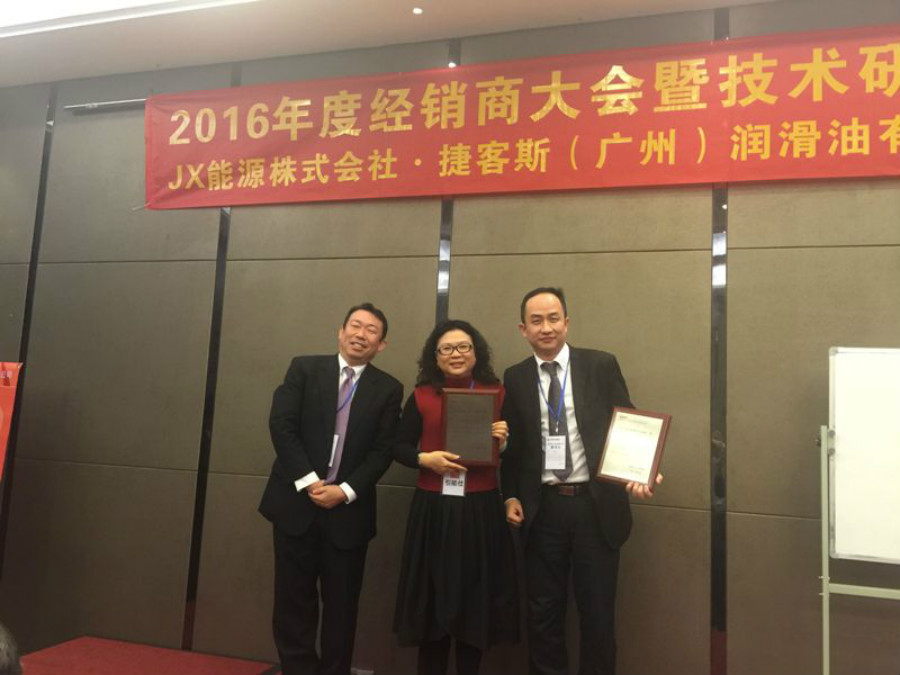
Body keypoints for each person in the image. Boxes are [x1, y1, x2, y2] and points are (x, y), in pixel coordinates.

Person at [501, 287, 662, 675]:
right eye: (536, 321)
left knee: (598, 614)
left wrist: (644, 468)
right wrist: (510, 496)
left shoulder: (600, 364)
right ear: (523, 329)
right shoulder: (516, 377)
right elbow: (515, 448)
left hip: (595, 507)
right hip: (543, 509)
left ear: (567, 323)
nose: (546, 327)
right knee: (543, 614)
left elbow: (628, 421)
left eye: (553, 318)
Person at [259, 302, 403, 675]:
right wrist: (309, 481)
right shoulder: (304, 369)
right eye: (355, 325)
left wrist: (346, 490)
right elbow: (281, 425)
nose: (361, 334)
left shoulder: (389, 389)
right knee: (293, 601)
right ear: (340, 331)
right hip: (296, 505)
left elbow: (383, 450)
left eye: (371, 330)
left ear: (381, 344)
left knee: (342, 606)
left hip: (348, 511)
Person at [392, 319, 519, 675]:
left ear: (476, 353)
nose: (456, 354)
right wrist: (425, 459)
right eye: (446, 348)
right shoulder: (421, 395)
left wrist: (503, 443)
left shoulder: (498, 393)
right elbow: (398, 446)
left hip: (481, 509)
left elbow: (518, 453)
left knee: (474, 602)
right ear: (435, 357)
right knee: (431, 603)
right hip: (433, 508)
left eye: (464, 346)